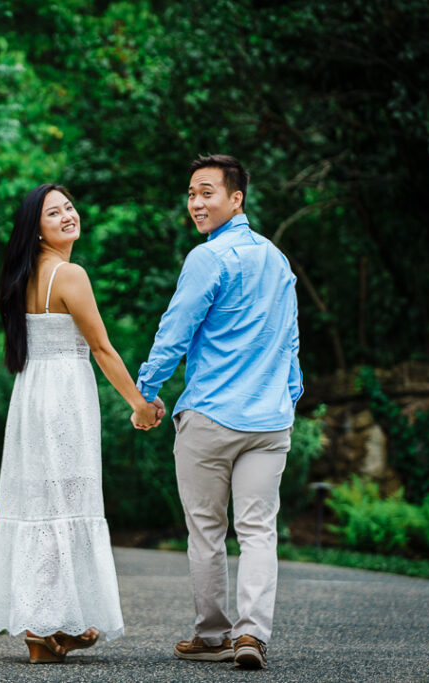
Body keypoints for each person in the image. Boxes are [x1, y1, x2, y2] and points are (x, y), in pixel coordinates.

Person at [0, 183, 163, 664]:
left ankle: (45, 628)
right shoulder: (70, 274)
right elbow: (102, 349)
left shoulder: (23, 276)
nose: (67, 216)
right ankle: (51, 625)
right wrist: (141, 405)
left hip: (30, 395)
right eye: (52, 213)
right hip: (64, 397)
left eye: (68, 207)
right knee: (68, 499)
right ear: (35, 229)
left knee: (43, 501)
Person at [134, 155, 302, 670]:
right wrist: (286, 398)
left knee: (206, 531)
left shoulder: (208, 258)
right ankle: (251, 635)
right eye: (190, 194)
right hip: (270, 420)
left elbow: (175, 330)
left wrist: (146, 391)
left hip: (210, 416)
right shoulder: (277, 260)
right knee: (257, 531)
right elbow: (290, 344)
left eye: (206, 192)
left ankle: (213, 636)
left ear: (236, 199)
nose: (196, 203)